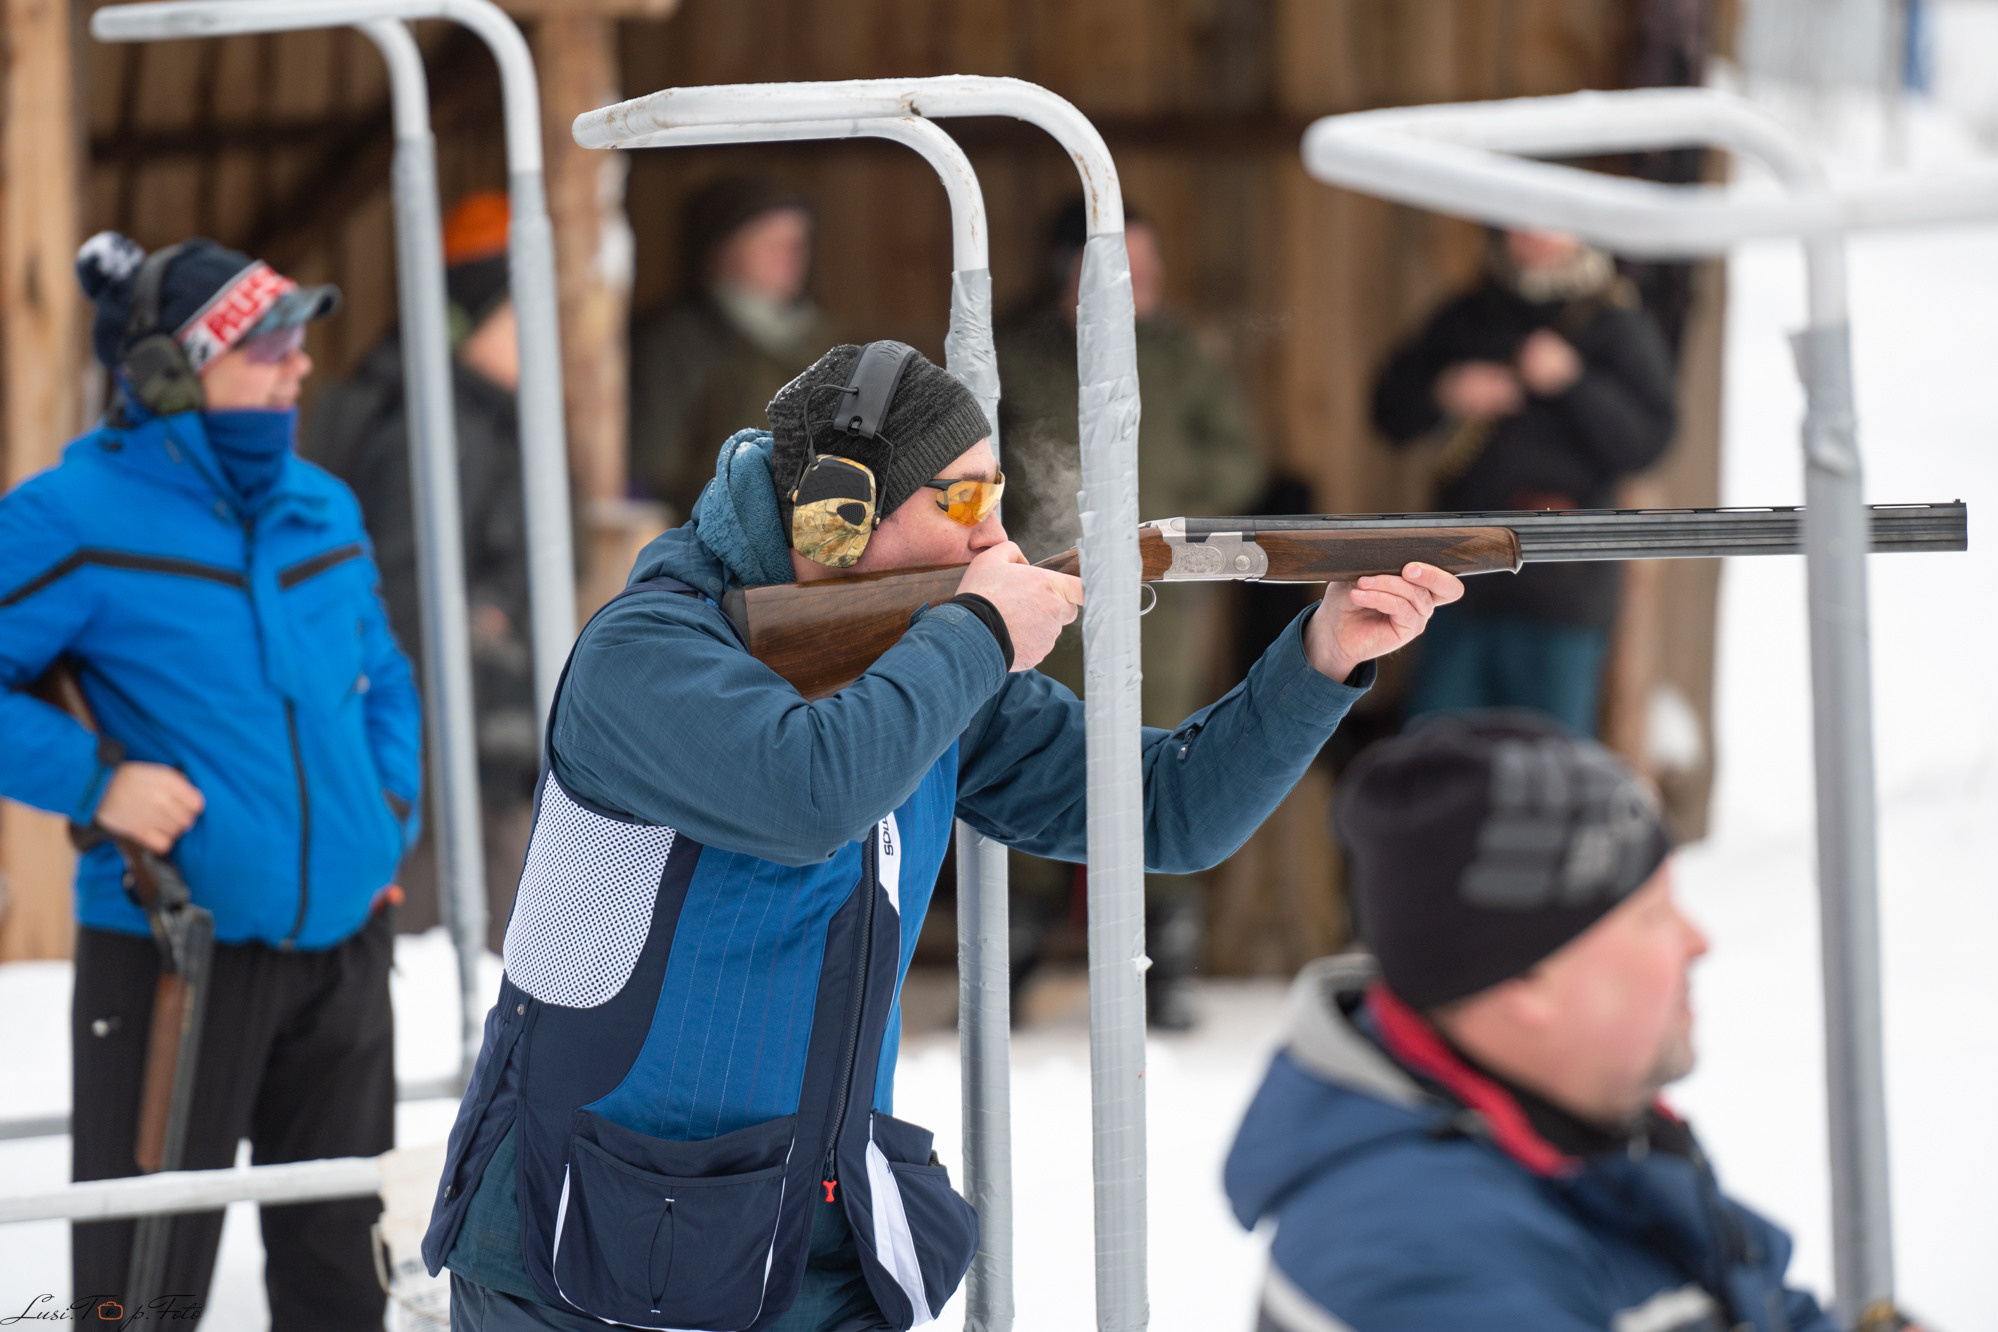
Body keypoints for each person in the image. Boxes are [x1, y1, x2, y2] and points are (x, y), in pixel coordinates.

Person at [423, 340, 1463, 1331]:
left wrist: (1322, 658)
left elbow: (1165, 810)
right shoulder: (644, 653)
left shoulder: (921, 666)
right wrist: (974, 634)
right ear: (835, 518)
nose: (990, 540)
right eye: (959, 500)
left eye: (996, 497)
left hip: (813, 1251)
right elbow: (807, 793)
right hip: (584, 1257)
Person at [0, 232, 421, 1329]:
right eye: (268, 344)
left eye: (297, 341)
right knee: (139, 1291)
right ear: (168, 374)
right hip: (172, 957)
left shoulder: (322, 505)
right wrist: (96, 783)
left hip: (346, 956)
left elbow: (383, 675)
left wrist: (382, 820)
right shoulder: (69, 519)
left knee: (344, 1275)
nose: (301, 366)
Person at [1224, 713, 1891, 1332]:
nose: (1698, 940)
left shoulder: (1574, 1125)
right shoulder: (1429, 1259)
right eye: (1653, 914)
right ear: (1523, 981)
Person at [997, 198, 1268, 1028]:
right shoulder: (1018, 355)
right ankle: (1014, 954)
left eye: (1144, 270)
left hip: (1159, 602)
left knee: (1162, 760)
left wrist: (1169, 521)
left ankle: (1167, 964)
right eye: (1119, 269)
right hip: (1046, 592)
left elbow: (1240, 456)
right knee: (1032, 752)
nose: (1136, 284)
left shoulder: (1181, 358)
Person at [306, 190, 537, 948]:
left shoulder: (471, 418)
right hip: (447, 759)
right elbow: (407, 602)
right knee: (462, 936)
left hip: (471, 741)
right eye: (519, 314)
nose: (540, 336)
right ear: (468, 322)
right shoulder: (437, 433)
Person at [1371, 229, 1678, 735]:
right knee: (1437, 758)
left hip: (1560, 587)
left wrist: (1574, 382)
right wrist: (1446, 390)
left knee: (1550, 766)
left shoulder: (1613, 321)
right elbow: (1389, 409)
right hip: (1457, 578)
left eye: (1545, 220)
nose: (1529, 235)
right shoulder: (1472, 313)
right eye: (1518, 220)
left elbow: (1650, 442)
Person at [629, 174, 837, 520]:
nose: (789, 255)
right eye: (769, 242)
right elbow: (649, 474)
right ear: (720, 250)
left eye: (797, 242)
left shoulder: (824, 337)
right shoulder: (677, 344)